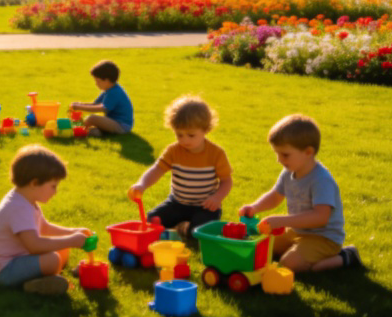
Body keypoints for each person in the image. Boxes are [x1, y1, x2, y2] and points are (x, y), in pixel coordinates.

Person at [239, 114, 360, 273]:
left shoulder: (321, 180)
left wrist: (283, 221)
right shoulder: (289, 172)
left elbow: (320, 217)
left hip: (323, 238)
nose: (279, 160)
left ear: (308, 152)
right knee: (261, 245)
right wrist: (255, 207)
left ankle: (347, 255)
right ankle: (299, 250)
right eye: (277, 153)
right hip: (298, 231)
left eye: (285, 155)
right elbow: (275, 196)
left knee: (290, 264)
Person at [0, 145, 92, 296]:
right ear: (34, 183)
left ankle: (48, 279)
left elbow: (44, 228)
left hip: (16, 260)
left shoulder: (27, 200)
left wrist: (74, 232)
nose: (55, 192)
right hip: (1, 270)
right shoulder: (18, 207)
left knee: (62, 247)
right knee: (52, 259)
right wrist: (72, 240)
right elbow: (34, 246)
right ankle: (36, 284)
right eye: (53, 186)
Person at [129, 96, 232, 239]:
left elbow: (226, 181)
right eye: (179, 135)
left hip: (206, 206)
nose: (184, 140)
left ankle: (185, 228)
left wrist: (217, 198)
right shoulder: (173, 151)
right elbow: (157, 169)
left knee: (198, 234)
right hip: (177, 203)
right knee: (152, 221)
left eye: (191, 135)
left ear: (206, 129)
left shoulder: (216, 154)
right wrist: (142, 184)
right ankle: (179, 225)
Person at [69, 59, 133, 138]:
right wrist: (80, 104)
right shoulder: (109, 90)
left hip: (122, 126)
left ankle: (73, 129)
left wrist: (80, 107)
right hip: (114, 122)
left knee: (91, 118)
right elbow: (95, 104)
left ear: (107, 80)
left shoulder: (115, 92)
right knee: (94, 129)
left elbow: (102, 108)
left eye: (98, 81)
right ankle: (92, 132)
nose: (96, 84)